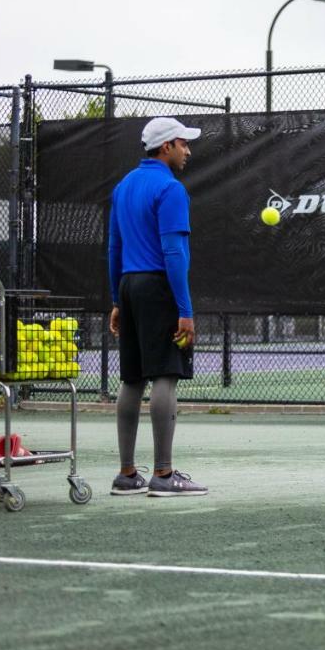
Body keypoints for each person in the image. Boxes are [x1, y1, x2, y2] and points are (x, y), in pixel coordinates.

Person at [107, 117, 207, 497]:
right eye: (183, 144)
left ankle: (127, 474)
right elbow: (173, 253)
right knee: (165, 373)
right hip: (157, 287)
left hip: (130, 286)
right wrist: (185, 309)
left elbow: (114, 249)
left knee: (132, 378)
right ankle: (164, 475)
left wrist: (117, 299)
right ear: (166, 147)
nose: (188, 151)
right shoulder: (171, 189)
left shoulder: (123, 186)